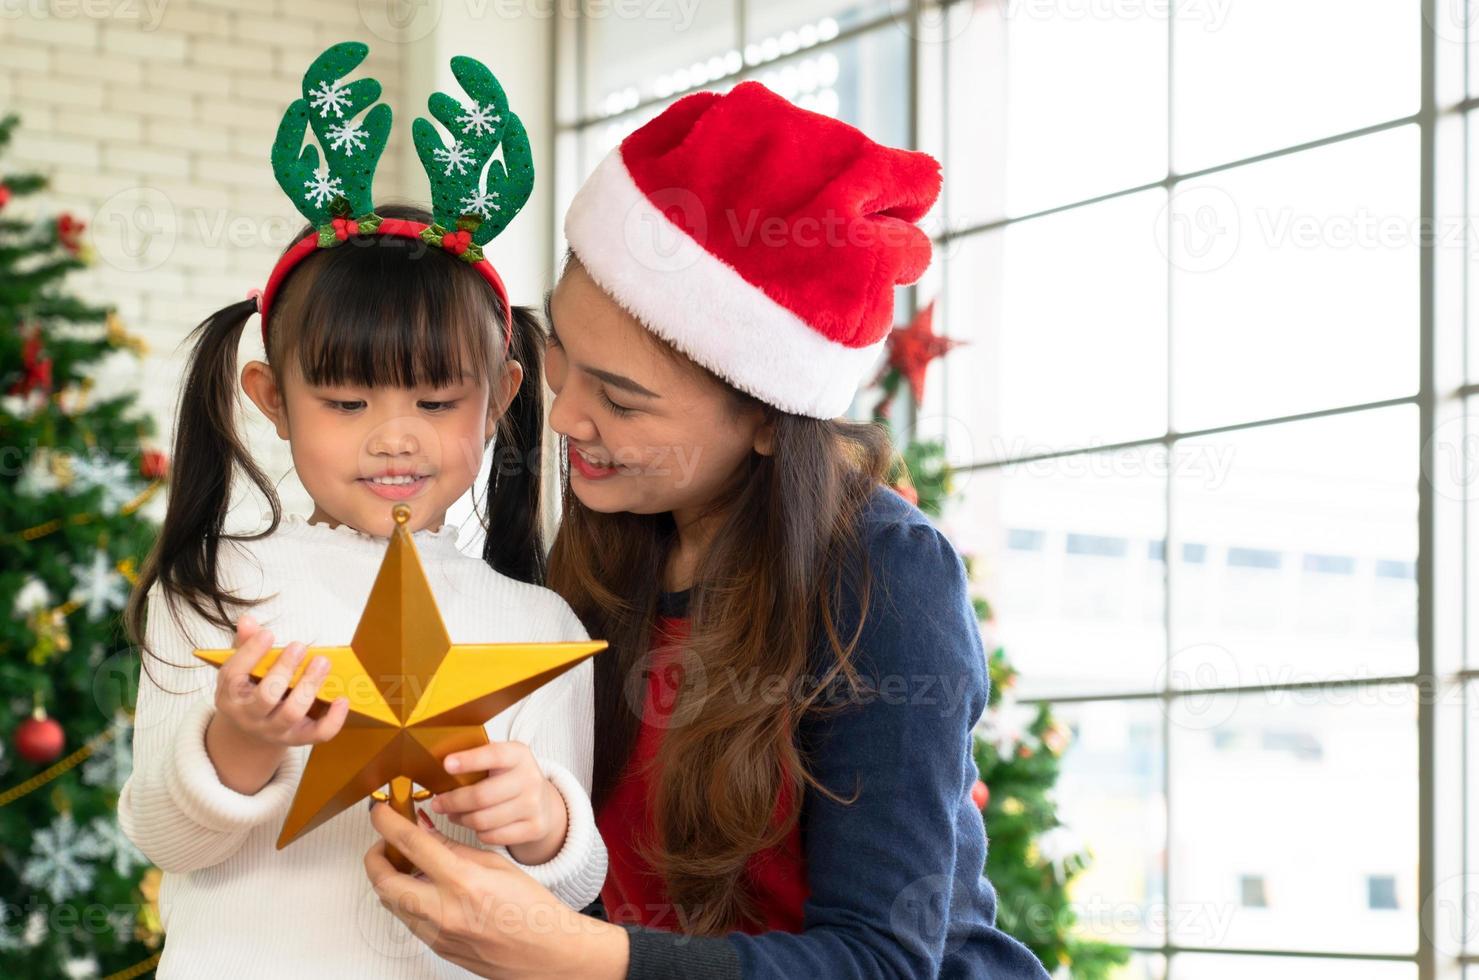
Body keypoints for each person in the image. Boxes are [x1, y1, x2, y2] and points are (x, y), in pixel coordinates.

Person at [365, 81, 1052, 979]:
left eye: (620, 398)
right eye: (560, 359)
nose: (565, 418)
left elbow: (883, 961)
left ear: (771, 421)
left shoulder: (884, 574)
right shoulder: (615, 532)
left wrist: (575, 954)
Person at [119, 41, 607, 978]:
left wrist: (544, 824)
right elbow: (164, 840)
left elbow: (568, 893)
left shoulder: (539, 625)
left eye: (435, 403)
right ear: (271, 397)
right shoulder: (216, 591)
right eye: (346, 405)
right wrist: (240, 741)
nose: (395, 439)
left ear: (502, 396)